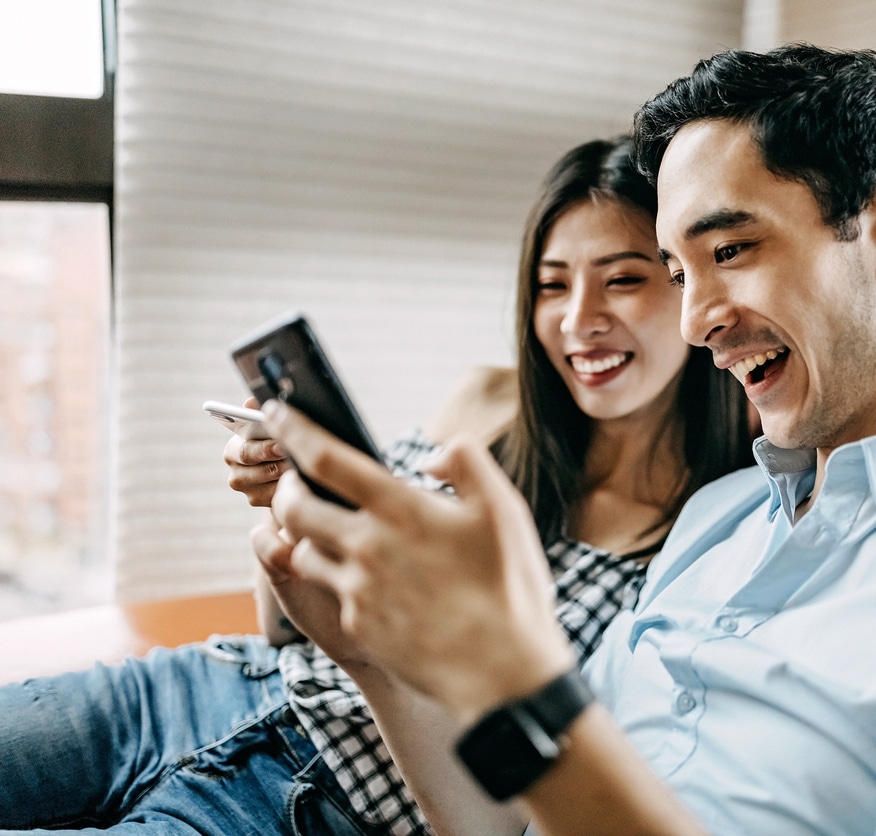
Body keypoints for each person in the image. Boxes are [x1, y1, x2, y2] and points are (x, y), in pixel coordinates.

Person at [256, 45, 876, 836]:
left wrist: (520, 679)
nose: (693, 323)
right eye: (681, 272)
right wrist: (368, 653)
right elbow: (509, 816)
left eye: (731, 250)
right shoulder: (718, 514)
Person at [0, 136, 754, 834]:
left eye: (622, 279)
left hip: (315, 805)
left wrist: (371, 649)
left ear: (688, 285)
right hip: (205, 687)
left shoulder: (711, 530)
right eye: (552, 286)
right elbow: (288, 630)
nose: (579, 320)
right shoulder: (484, 405)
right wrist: (289, 509)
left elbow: (521, 807)